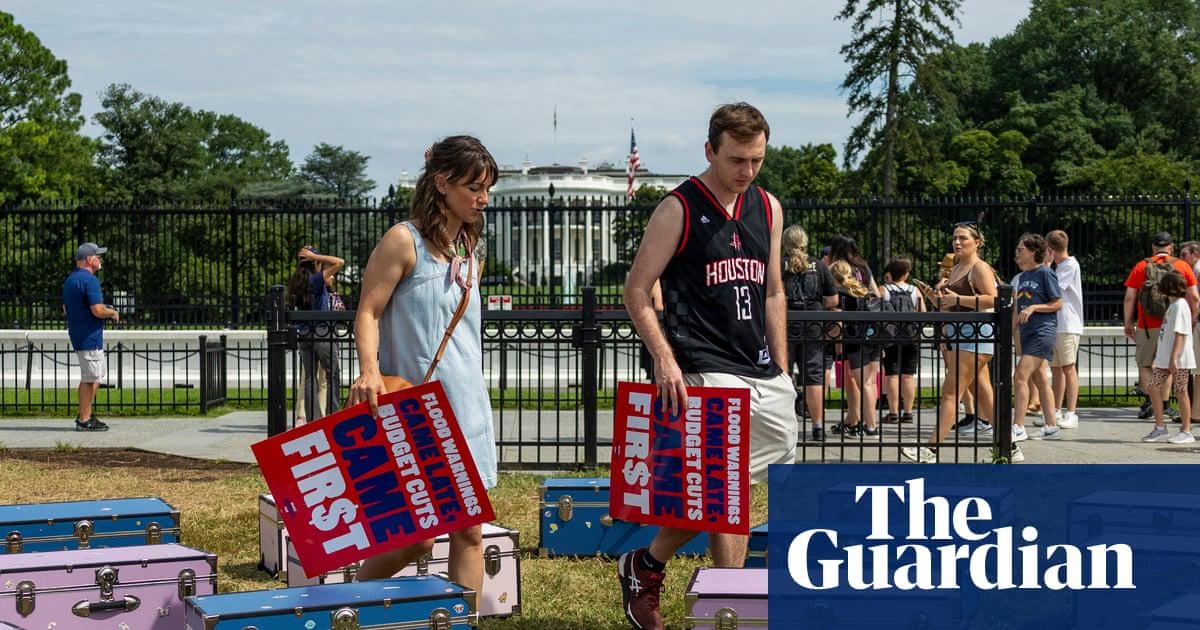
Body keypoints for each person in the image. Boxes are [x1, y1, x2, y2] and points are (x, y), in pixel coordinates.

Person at [618, 102, 795, 630]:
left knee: (739, 478)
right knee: (725, 486)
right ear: (710, 151)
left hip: (760, 366)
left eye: (757, 159)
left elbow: (774, 292)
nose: (747, 170)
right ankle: (731, 606)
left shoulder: (768, 206)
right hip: (702, 364)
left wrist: (782, 365)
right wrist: (665, 360)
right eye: (737, 159)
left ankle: (646, 563)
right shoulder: (679, 207)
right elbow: (635, 290)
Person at [347, 135, 499, 594]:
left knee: (470, 531)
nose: (483, 199)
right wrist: (369, 370)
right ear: (441, 183)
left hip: (466, 407)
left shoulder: (471, 249)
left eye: (487, 188)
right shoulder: (403, 240)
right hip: (415, 411)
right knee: (414, 541)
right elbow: (368, 311)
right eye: (474, 187)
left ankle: (463, 620)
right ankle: (348, 601)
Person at [903, 222, 1001, 463]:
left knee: (950, 393)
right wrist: (934, 298)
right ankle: (1008, 444)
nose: (957, 242)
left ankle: (931, 449)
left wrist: (959, 298)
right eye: (955, 238)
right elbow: (950, 304)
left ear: (976, 242)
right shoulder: (957, 268)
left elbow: (994, 300)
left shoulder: (979, 268)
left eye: (963, 238)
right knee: (982, 393)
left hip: (975, 333)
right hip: (961, 333)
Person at [1123, 232, 1199, 426]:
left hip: (1147, 325)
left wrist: (1128, 322)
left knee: (1146, 364)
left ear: (1153, 247)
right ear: (1171, 247)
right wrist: (1192, 319)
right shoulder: (1181, 266)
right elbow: (1194, 297)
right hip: (1175, 325)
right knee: (1168, 368)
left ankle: (1152, 398)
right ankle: (1163, 404)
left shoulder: (1141, 266)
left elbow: (1130, 296)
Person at [782, 225, 838, 441]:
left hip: (785, 325)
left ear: (785, 244)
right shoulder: (818, 265)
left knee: (783, 376)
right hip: (814, 325)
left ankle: (785, 427)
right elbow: (833, 300)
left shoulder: (779, 265)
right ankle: (817, 426)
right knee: (814, 377)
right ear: (805, 242)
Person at [1010, 234, 1063, 444]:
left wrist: (1034, 307)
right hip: (1027, 332)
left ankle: (1019, 426)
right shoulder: (1022, 277)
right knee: (1040, 378)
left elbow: (1058, 303)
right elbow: (1016, 310)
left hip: (1043, 331)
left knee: (1020, 376)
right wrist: (1008, 331)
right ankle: (1051, 426)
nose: (1018, 253)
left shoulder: (1045, 273)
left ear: (1033, 251)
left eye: (1021, 249)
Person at [828, 234, 883, 435]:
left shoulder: (838, 269)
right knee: (870, 381)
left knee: (863, 382)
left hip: (853, 333)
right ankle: (860, 420)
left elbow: (834, 304)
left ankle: (870, 426)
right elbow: (877, 294)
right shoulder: (864, 268)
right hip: (873, 330)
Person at [63, 242, 119, 432]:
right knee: (90, 378)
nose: (100, 259)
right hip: (90, 336)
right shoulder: (90, 280)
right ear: (89, 259)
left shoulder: (71, 280)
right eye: (98, 256)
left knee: (93, 376)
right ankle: (84, 419)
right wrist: (112, 312)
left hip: (79, 333)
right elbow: (97, 310)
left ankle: (84, 413)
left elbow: (66, 308)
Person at [286, 246, 345, 421]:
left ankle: (313, 418)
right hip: (322, 331)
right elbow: (339, 262)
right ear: (316, 263)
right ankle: (333, 415)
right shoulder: (315, 280)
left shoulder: (296, 282)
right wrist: (316, 256)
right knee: (332, 373)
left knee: (310, 378)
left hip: (304, 333)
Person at [1143, 271, 1195, 443]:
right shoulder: (1173, 306)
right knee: (1152, 386)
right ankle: (1160, 427)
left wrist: (1174, 357)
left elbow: (1181, 333)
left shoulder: (1180, 306)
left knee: (1180, 390)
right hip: (1167, 358)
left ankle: (1186, 431)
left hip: (1178, 358)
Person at [1045, 230, 1083, 429]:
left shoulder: (1069, 266)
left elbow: (1053, 289)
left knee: (1068, 367)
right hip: (1058, 324)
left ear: (1050, 250)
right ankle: (1057, 410)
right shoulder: (1061, 266)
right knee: (1057, 369)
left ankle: (1071, 412)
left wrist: (1046, 267)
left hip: (1068, 324)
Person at [881, 256, 924, 424]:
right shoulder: (914, 290)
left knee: (892, 375)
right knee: (908, 375)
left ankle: (893, 412)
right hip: (911, 336)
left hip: (891, 336)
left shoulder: (884, 290)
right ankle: (908, 412)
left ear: (890, 273)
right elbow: (923, 312)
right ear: (906, 274)